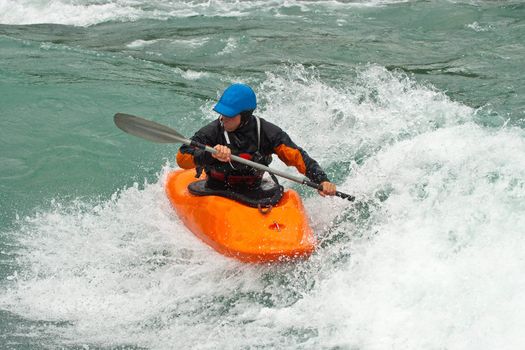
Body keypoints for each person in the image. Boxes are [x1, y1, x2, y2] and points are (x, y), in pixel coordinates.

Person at [176, 83, 337, 198]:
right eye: (222, 113)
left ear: (245, 116)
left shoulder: (267, 132)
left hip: (254, 188)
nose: (224, 118)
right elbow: (182, 158)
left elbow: (299, 158)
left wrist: (322, 180)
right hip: (215, 188)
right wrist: (210, 155)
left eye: (230, 115)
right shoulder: (212, 131)